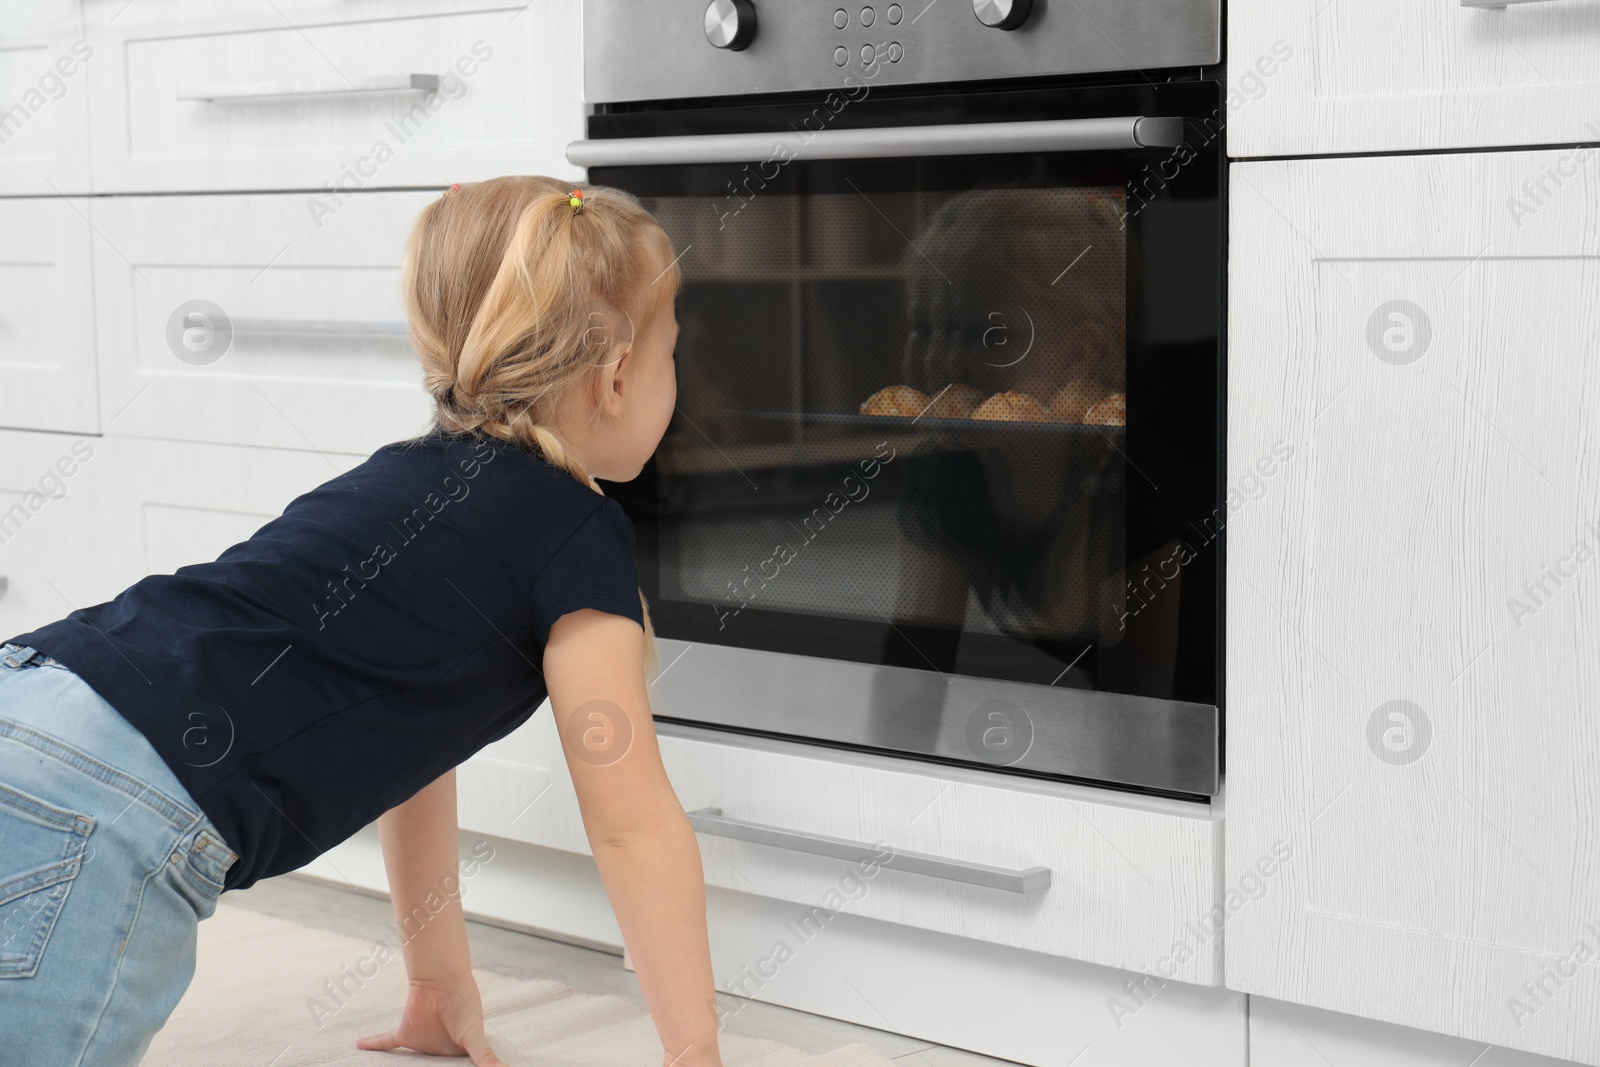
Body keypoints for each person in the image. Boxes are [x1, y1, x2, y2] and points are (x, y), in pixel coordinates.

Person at [0, 176, 720, 1067]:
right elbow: (632, 823)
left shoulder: (407, 476)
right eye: (671, 354)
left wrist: (436, 981)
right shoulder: (579, 537)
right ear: (617, 377)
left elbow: (410, 752)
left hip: (36, 688)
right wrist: (697, 1055)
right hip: (110, 806)